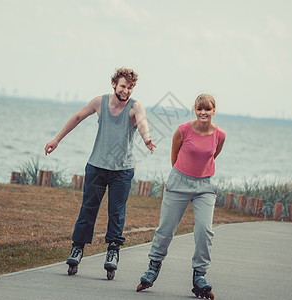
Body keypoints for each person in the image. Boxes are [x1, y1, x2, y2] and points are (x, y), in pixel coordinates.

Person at [44, 68, 156, 279]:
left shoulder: (135, 107)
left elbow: (142, 123)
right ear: (114, 84)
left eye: (130, 87)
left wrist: (147, 139)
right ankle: (77, 249)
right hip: (96, 167)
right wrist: (57, 139)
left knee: (116, 212)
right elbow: (77, 117)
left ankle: (113, 251)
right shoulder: (100, 102)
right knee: (88, 209)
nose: (126, 90)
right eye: (123, 86)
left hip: (122, 171)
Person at [136, 94, 225, 299]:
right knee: (166, 228)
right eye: (199, 109)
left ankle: (199, 276)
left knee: (205, 230)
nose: (203, 112)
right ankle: (153, 267)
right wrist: (184, 174)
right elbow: (174, 157)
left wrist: (199, 175)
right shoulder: (183, 130)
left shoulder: (220, 135)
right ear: (195, 110)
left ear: (214, 111)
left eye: (207, 109)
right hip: (179, 182)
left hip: (205, 185)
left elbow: (213, 155)